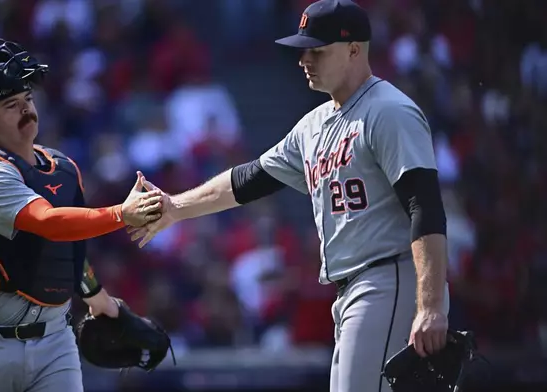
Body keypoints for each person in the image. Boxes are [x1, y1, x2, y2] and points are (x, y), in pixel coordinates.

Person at [128, 1, 450, 391]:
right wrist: (177, 207)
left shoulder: (389, 111)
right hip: (352, 288)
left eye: (317, 50)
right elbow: (249, 179)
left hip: (389, 277)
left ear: (354, 49)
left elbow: (425, 207)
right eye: (303, 50)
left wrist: (431, 305)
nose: (304, 59)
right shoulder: (313, 126)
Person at [0, 37, 162, 392]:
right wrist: (122, 215)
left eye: (28, 99)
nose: (26, 111)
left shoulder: (61, 167)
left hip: (55, 343)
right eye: (11, 105)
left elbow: (68, 252)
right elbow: (48, 224)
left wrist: (101, 303)